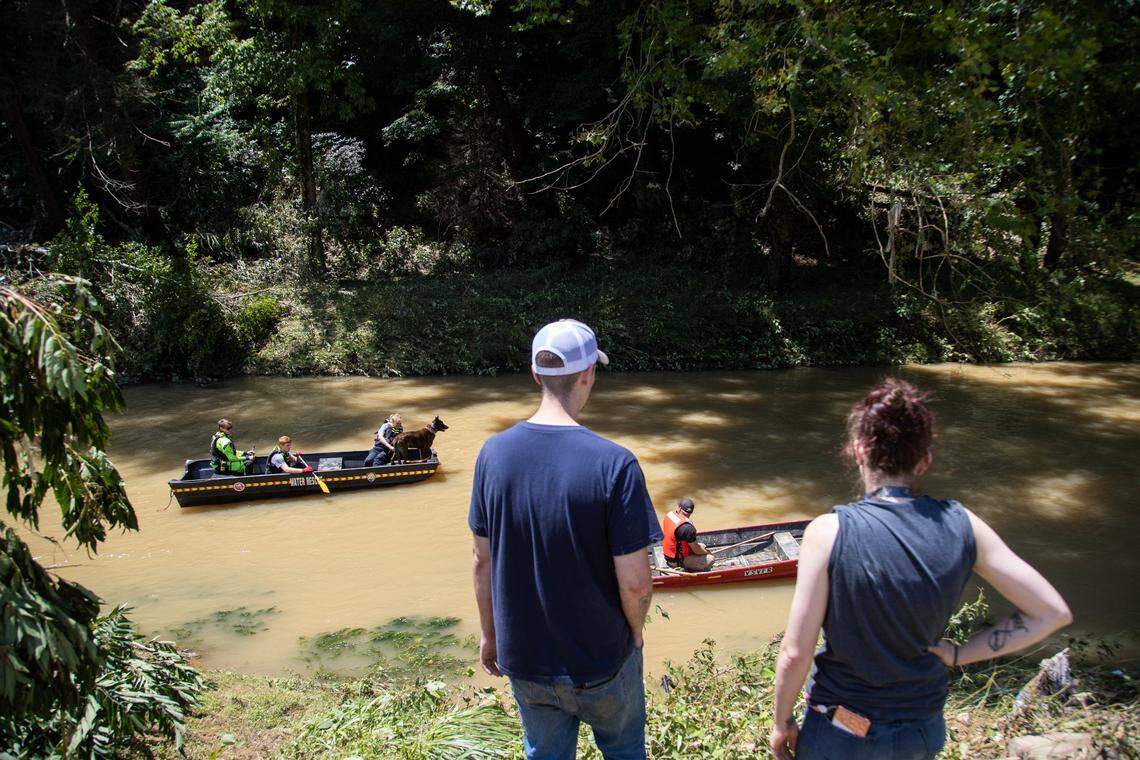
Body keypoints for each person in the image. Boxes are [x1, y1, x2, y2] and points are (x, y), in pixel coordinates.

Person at [769, 378, 1072, 760]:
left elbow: (796, 652)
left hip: (846, 726)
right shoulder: (964, 524)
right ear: (924, 459)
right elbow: (1052, 612)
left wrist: (782, 724)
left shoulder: (828, 532)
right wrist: (960, 654)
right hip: (922, 728)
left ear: (858, 450)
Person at [469, 319, 661, 760]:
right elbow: (635, 583)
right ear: (590, 373)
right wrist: (634, 633)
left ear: (536, 375)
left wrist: (490, 635)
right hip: (602, 659)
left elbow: (482, 561)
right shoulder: (616, 465)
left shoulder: (492, 455)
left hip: (526, 660)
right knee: (625, 750)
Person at [661, 497, 714, 571]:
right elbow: (697, 550)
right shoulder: (688, 528)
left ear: (679, 508)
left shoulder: (669, 515)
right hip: (677, 561)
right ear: (691, 512)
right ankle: (691, 570)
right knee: (710, 558)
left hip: (668, 554)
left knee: (702, 546)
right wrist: (708, 552)